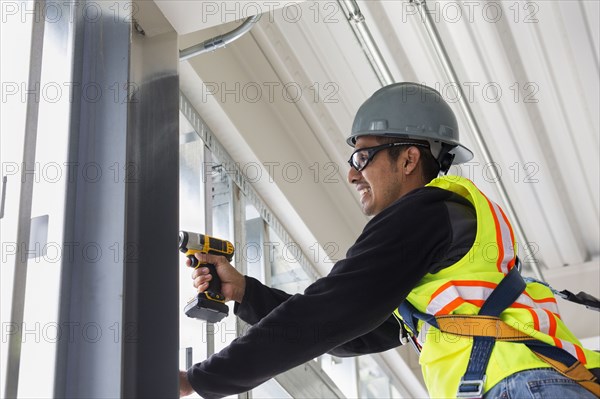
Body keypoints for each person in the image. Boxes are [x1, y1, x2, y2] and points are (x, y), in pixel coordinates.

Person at [179, 83, 600, 398]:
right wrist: (246, 292)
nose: (352, 173)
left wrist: (199, 379)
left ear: (409, 159)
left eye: (363, 156)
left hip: (520, 387)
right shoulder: (444, 255)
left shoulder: (426, 212)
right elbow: (349, 334)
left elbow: (333, 310)